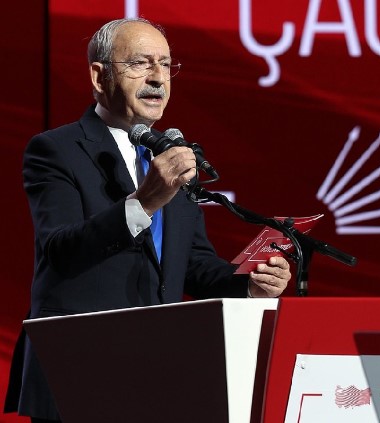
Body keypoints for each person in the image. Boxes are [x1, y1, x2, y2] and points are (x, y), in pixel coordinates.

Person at [3, 18, 291, 422]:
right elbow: (60, 250)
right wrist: (144, 202)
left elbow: (192, 265)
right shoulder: (56, 149)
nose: (157, 77)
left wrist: (250, 284)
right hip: (80, 370)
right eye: (140, 63)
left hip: (159, 372)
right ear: (99, 76)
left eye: (166, 65)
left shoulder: (170, 155)